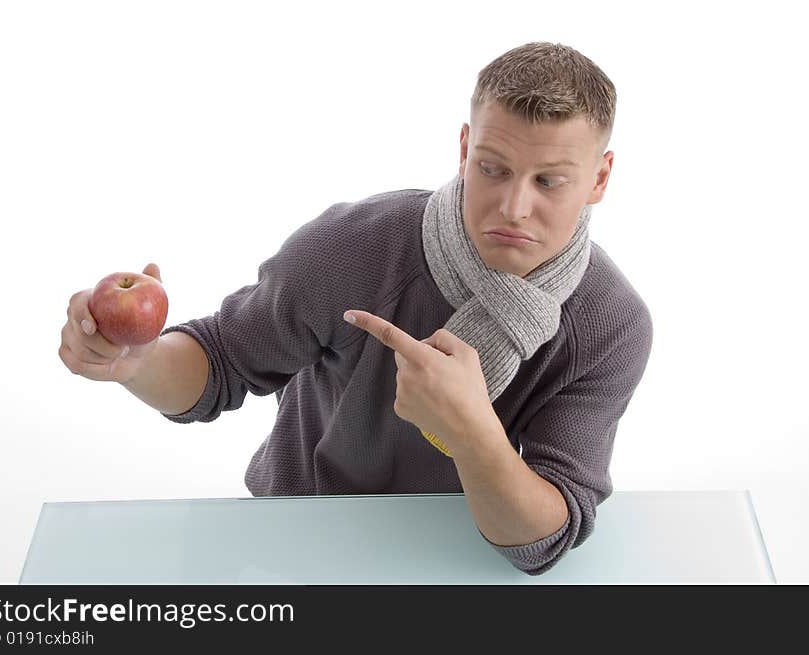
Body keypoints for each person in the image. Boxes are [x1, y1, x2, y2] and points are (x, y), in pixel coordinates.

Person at [59, 41, 652, 575]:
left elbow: (546, 538)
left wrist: (470, 432)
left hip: (463, 563)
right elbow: (220, 363)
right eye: (492, 169)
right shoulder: (356, 244)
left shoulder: (611, 324)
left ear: (600, 177)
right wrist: (137, 361)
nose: (514, 208)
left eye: (550, 181)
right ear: (466, 146)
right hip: (298, 548)